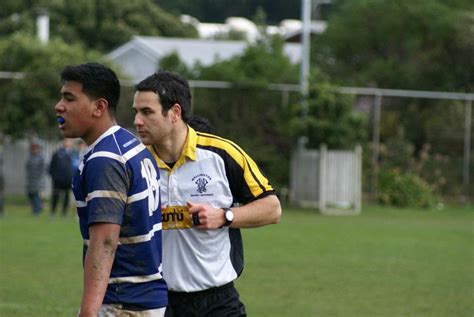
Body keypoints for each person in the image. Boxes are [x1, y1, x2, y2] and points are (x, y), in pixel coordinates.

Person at [133, 71, 282, 317]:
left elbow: (272, 208)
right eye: (136, 112)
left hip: (218, 303)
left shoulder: (222, 154)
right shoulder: (134, 162)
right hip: (157, 302)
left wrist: (225, 216)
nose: (138, 121)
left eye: (147, 112)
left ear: (174, 113)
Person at [54, 62, 167, 316]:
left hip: (123, 301)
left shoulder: (105, 158)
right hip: (146, 296)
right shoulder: (130, 144)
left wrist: (88, 311)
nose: (59, 106)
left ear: (99, 107)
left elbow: (105, 241)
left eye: (69, 98)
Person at [48, 138, 74, 216]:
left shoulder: (74, 153)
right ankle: (52, 212)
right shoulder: (57, 153)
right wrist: (54, 176)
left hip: (69, 179)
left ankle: (64, 212)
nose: (68, 143)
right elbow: (51, 167)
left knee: (66, 196)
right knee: (55, 195)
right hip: (58, 180)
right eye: (66, 141)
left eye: (69, 141)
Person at [25, 141, 46, 215]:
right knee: (30, 194)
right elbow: (27, 167)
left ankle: (37, 210)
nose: (34, 150)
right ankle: (37, 208)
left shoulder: (41, 158)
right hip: (30, 179)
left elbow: (43, 169)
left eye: (35, 148)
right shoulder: (29, 157)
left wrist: (40, 179)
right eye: (32, 149)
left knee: (35, 194)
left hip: (38, 180)